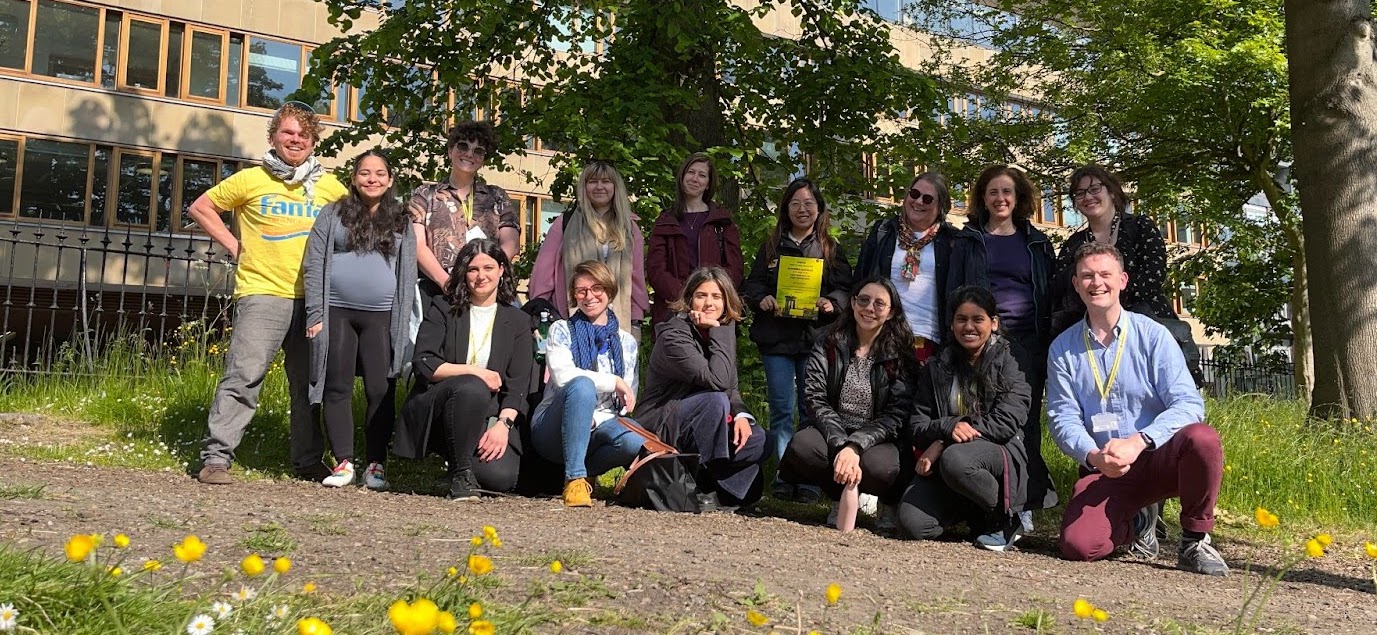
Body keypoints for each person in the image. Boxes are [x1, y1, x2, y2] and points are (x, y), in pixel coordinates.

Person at [191, 101, 348, 485]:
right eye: (288, 133)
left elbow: (357, 223)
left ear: (314, 142)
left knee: (309, 384)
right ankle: (216, 459)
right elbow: (201, 207)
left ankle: (308, 462)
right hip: (263, 292)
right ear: (274, 137)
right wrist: (233, 243)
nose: (296, 140)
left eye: (303, 135)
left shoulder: (329, 186)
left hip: (314, 300)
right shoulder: (252, 179)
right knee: (244, 375)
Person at [1047, 243, 1227, 576]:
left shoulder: (1154, 337)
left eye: (1105, 274)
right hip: (1106, 466)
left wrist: (1140, 440)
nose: (1096, 282)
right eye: (1087, 275)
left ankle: (1194, 539)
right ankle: (1138, 521)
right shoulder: (1063, 348)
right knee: (1079, 546)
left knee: (1202, 439)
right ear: (1075, 284)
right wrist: (1092, 455)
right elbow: (1062, 418)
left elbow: (1189, 404)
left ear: (1123, 280)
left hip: (1160, 457)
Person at [302, 150, 416, 490]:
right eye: (365, 173)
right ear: (353, 178)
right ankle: (344, 463)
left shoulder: (401, 221)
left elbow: (407, 273)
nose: (372, 179)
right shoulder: (332, 214)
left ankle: (376, 465)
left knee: (381, 390)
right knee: (336, 387)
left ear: (390, 180)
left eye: (380, 173)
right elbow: (313, 264)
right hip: (336, 313)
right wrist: (316, 314)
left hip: (381, 318)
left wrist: (402, 323)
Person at [741, 178, 853, 502]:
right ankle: (782, 475)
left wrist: (832, 301)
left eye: (808, 204)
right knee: (780, 409)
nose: (802, 210)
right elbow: (753, 284)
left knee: (810, 411)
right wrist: (761, 298)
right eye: (795, 204)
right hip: (776, 340)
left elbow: (847, 289)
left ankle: (807, 479)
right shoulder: (772, 246)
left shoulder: (830, 249)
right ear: (786, 209)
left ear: (819, 210)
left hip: (813, 341)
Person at [898, 286, 1033, 551]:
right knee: (912, 524)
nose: (968, 326)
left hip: (999, 453)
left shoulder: (1013, 360)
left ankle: (1007, 518)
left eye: (977, 319)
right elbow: (916, 426)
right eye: (961, 319)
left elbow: (1006, 421)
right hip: (952, 462)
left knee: (956, 459)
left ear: (993, 323)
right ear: (951, 324)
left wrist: (944, 442)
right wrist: (949, 427)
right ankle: (976, 514)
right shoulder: (937, 367)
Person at [400, 239, 534, 501]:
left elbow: (518, 384)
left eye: (488, 268)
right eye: (473, 269)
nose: (481, 276)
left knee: (499, 478)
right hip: (441, 404)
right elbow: (425, 362)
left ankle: (460, 465)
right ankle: (461, 474)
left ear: (501, 271)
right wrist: (476, 372)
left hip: (491, 413)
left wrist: (503, 426)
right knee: (472, 386)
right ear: (463, 273)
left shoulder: (518, 320)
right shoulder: (442, 307)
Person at [779, 276, 916, 531]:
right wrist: (843, 443)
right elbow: (815, 398)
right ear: (853, 303)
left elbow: (897, 414)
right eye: (863, 300)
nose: (869, 308)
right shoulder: (828, 342)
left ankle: (889, 503)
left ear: (891, 311)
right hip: (835, 432)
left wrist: (856, 445)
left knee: (882, 466)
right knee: (804, 446)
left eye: (879, 303)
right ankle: (836, 497)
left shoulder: (901, 353)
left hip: (878, 439)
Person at [967, 165, 1059, 523]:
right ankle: (985, 501)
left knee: (1026, 422)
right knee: (984, 418)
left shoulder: (1036, 242)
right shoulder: (969, 240)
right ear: (983, 198)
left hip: (1028, 342)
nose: (1000, 198)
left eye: (1007, 192)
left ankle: (1025, 504)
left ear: (1018, 198)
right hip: (982, 342)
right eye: (992, 192)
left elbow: (1049, 293)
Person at [635, 266, 767, 510]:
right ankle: (714, 486)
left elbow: (731, 386)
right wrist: (720, 331)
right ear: (689, 300)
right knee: (715, 401)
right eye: (701, 295)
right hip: (664, 421)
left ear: (727, 302)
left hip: (707, 422)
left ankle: (718, 494)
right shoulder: (674, 335)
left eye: (717, 297)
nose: (709, 303)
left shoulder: (719, 329)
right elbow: (717, 382)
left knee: (758, 438)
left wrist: (740, 414)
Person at [529, 261, 646, 507]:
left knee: (635, 441)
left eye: (597, 289)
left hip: (600, 425)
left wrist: (592, 419)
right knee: (581, 385)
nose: (589, 296)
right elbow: (563, 377)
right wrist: (613, 381)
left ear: (609, 291)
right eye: (581, 290)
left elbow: (625, 404)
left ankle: (588, 471)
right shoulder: (561, 329)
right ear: (573, 295)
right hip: (553, 428)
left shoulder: (626, 342)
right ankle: (575, 479)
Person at [855, 172, 984, 364]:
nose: (919, 202)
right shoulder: (883, 232)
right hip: (882, 337)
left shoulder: (953, 242)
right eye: (914, 194)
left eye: (928, 198)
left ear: (941, 206)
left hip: (928, 339)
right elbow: (860, 281)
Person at [529, 161, 650, 337]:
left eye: (606, 181)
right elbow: (543, 274)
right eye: (593, 181)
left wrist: (636, 322)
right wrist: (541, 312)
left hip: (618, 324)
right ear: (584, 187)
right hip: (570, 321)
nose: (599, 186)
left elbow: (636, 278)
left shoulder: (630, 229)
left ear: (615, 187)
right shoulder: (565, 223)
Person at [1049, 165, 1174, 335]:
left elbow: (1153, 277)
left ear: (1112, 192)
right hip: (1094, 332)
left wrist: (1105, 298)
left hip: (1146, 327)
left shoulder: (1140, 228)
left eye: (1094, 189)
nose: (1088, 197)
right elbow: (1062, 289)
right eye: (1080, 193)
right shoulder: (1073, 244)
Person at [408, 121, 520, 302]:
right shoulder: (425, 194)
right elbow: (418, 245)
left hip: (488, 293)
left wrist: (486, 277)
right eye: (463, 146)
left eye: (478, 151)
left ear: (483, 159)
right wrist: (448, 284)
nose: (469, 154)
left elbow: (511, 244)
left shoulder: (497, 196)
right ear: (450, 150)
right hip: (439, 292)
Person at [646, 152, 744, 324]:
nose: (695, 178)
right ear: (682, 176)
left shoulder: (722, 222)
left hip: (714, 311)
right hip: (674, 310)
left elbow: (734, 268)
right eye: (691, 172)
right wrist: (686, 299)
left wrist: (710, 297)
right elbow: (656, 270)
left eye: (702, 175)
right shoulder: (665, 221)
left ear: (708, 184)